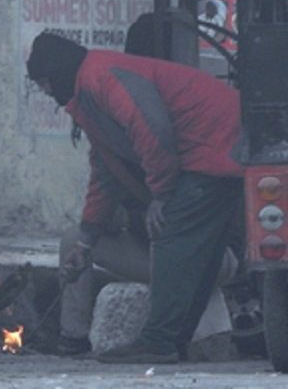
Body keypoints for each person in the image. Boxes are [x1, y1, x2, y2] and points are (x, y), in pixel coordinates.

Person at [26, 32, 243, 363]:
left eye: (43, 83)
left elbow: (152, 130)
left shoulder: (103, 77)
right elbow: (104, 172)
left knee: (171, 235)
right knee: (202, 252)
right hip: (220, 148)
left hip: (214, 144)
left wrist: (162, 194)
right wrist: (86, 242)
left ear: (53, 75)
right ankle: (172, 341)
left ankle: (158, 343)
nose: (45, 92)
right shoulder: (89, 94)